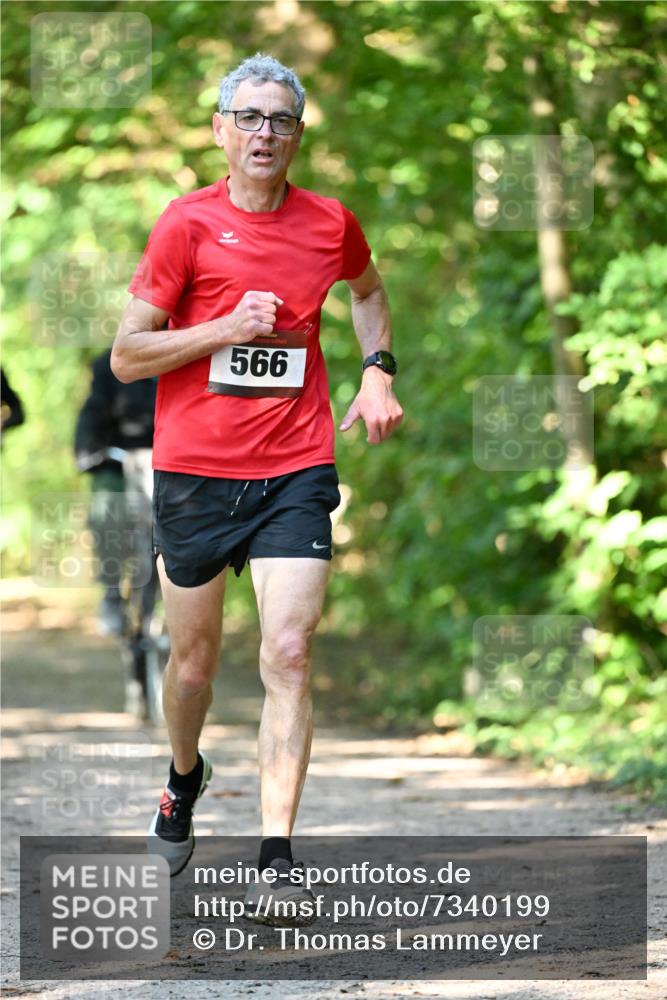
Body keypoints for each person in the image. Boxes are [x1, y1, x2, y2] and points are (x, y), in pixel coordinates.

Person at [111, 53, 403, 923]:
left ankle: (276, 853)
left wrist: (377, 372)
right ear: (220, 131)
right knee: (195, 665)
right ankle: (182, 776)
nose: (264, 133)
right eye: (249, 117)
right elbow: (128, 356)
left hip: (296, 464)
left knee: (288, 653)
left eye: (280, 119)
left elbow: (369, 292)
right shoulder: (184, 226)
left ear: (298, 133)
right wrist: (219, 330)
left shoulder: (329, 222)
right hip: (196, 472)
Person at [74, 349, 156, 638]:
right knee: (107, 507)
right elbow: (93, 410)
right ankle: (111, 590)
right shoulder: (110, 363)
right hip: (117, 459)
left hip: (170, 460)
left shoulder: (189, 354)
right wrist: (87, 450)